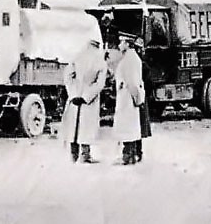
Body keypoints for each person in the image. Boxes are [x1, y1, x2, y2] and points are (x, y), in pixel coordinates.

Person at [60, 38, 107, 164]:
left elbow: (68, 76)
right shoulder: (100, 61)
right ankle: (85, 154)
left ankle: (73, 154)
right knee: (86, 127)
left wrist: (73, 94)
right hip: (88, 100)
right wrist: (87, 97)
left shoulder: (77, 56)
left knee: (73, 126)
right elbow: (100, 83)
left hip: (75, 97)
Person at [113, 34, 146, 165]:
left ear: (127, 44)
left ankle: (128, 155)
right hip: (127, 99)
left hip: (128, 99)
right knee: (129, 128)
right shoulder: (129, 58)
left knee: (128, 129)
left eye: (122, 42)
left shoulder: (130, 60)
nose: (119, 45)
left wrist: (137, 100)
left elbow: (133, 83)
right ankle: (130, 154)